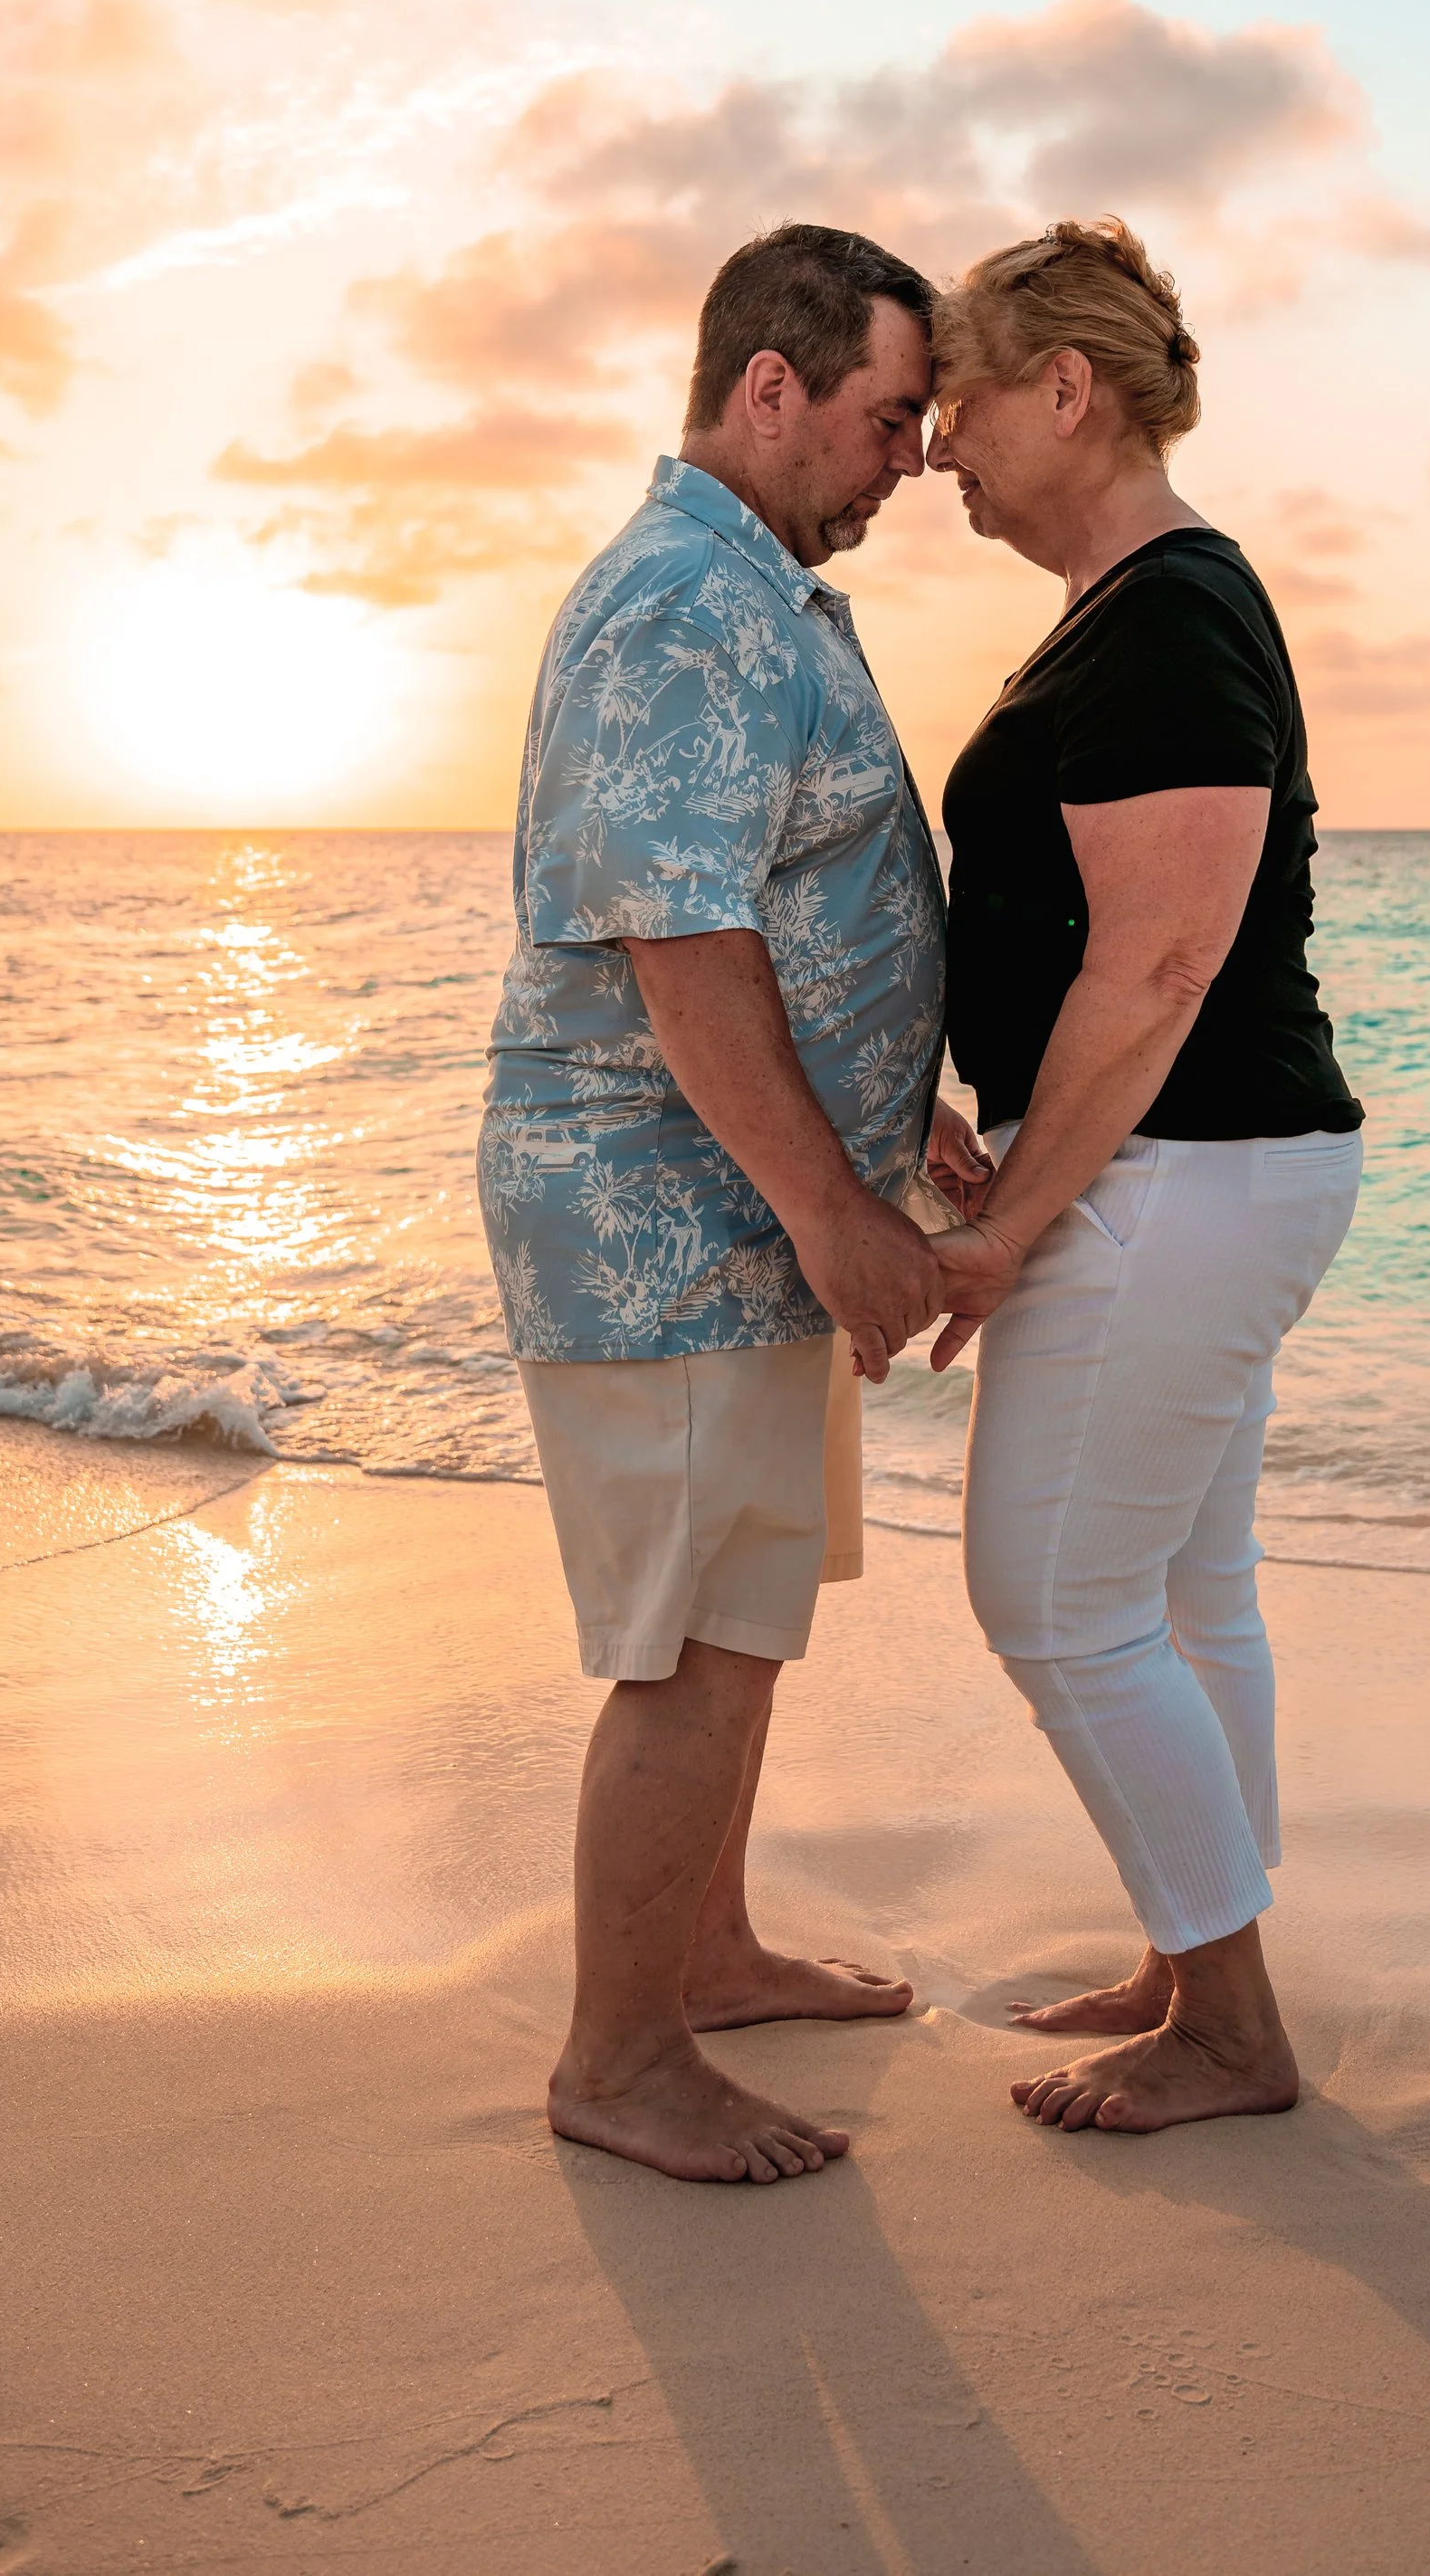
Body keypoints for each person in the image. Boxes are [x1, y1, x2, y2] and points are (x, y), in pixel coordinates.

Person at [479, 222, 991, 2187]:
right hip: (663, 1217)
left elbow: (779, 905)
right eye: (882, 418)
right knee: (687, 1643)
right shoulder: (685, 605)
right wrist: (838, 1216)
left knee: (742, 1617)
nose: (907, 463)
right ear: (765, 389)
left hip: (739, 1208)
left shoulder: (749, 589)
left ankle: (703, 1955)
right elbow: (681, 947)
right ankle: (617, 2059)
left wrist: (893, 1116)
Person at [924, 217, 1364, 2136]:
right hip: (1203, 1168)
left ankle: (1233, 2028)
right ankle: (1199, 1963)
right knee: (1187, 1597)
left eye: (955, 397)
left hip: (1178, 1176)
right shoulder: (1141, 603)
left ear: (1063, 390)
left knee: (1048, 1598)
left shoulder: (1167, 612)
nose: (936, 443)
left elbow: (1164, 960)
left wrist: (1009, 1228)